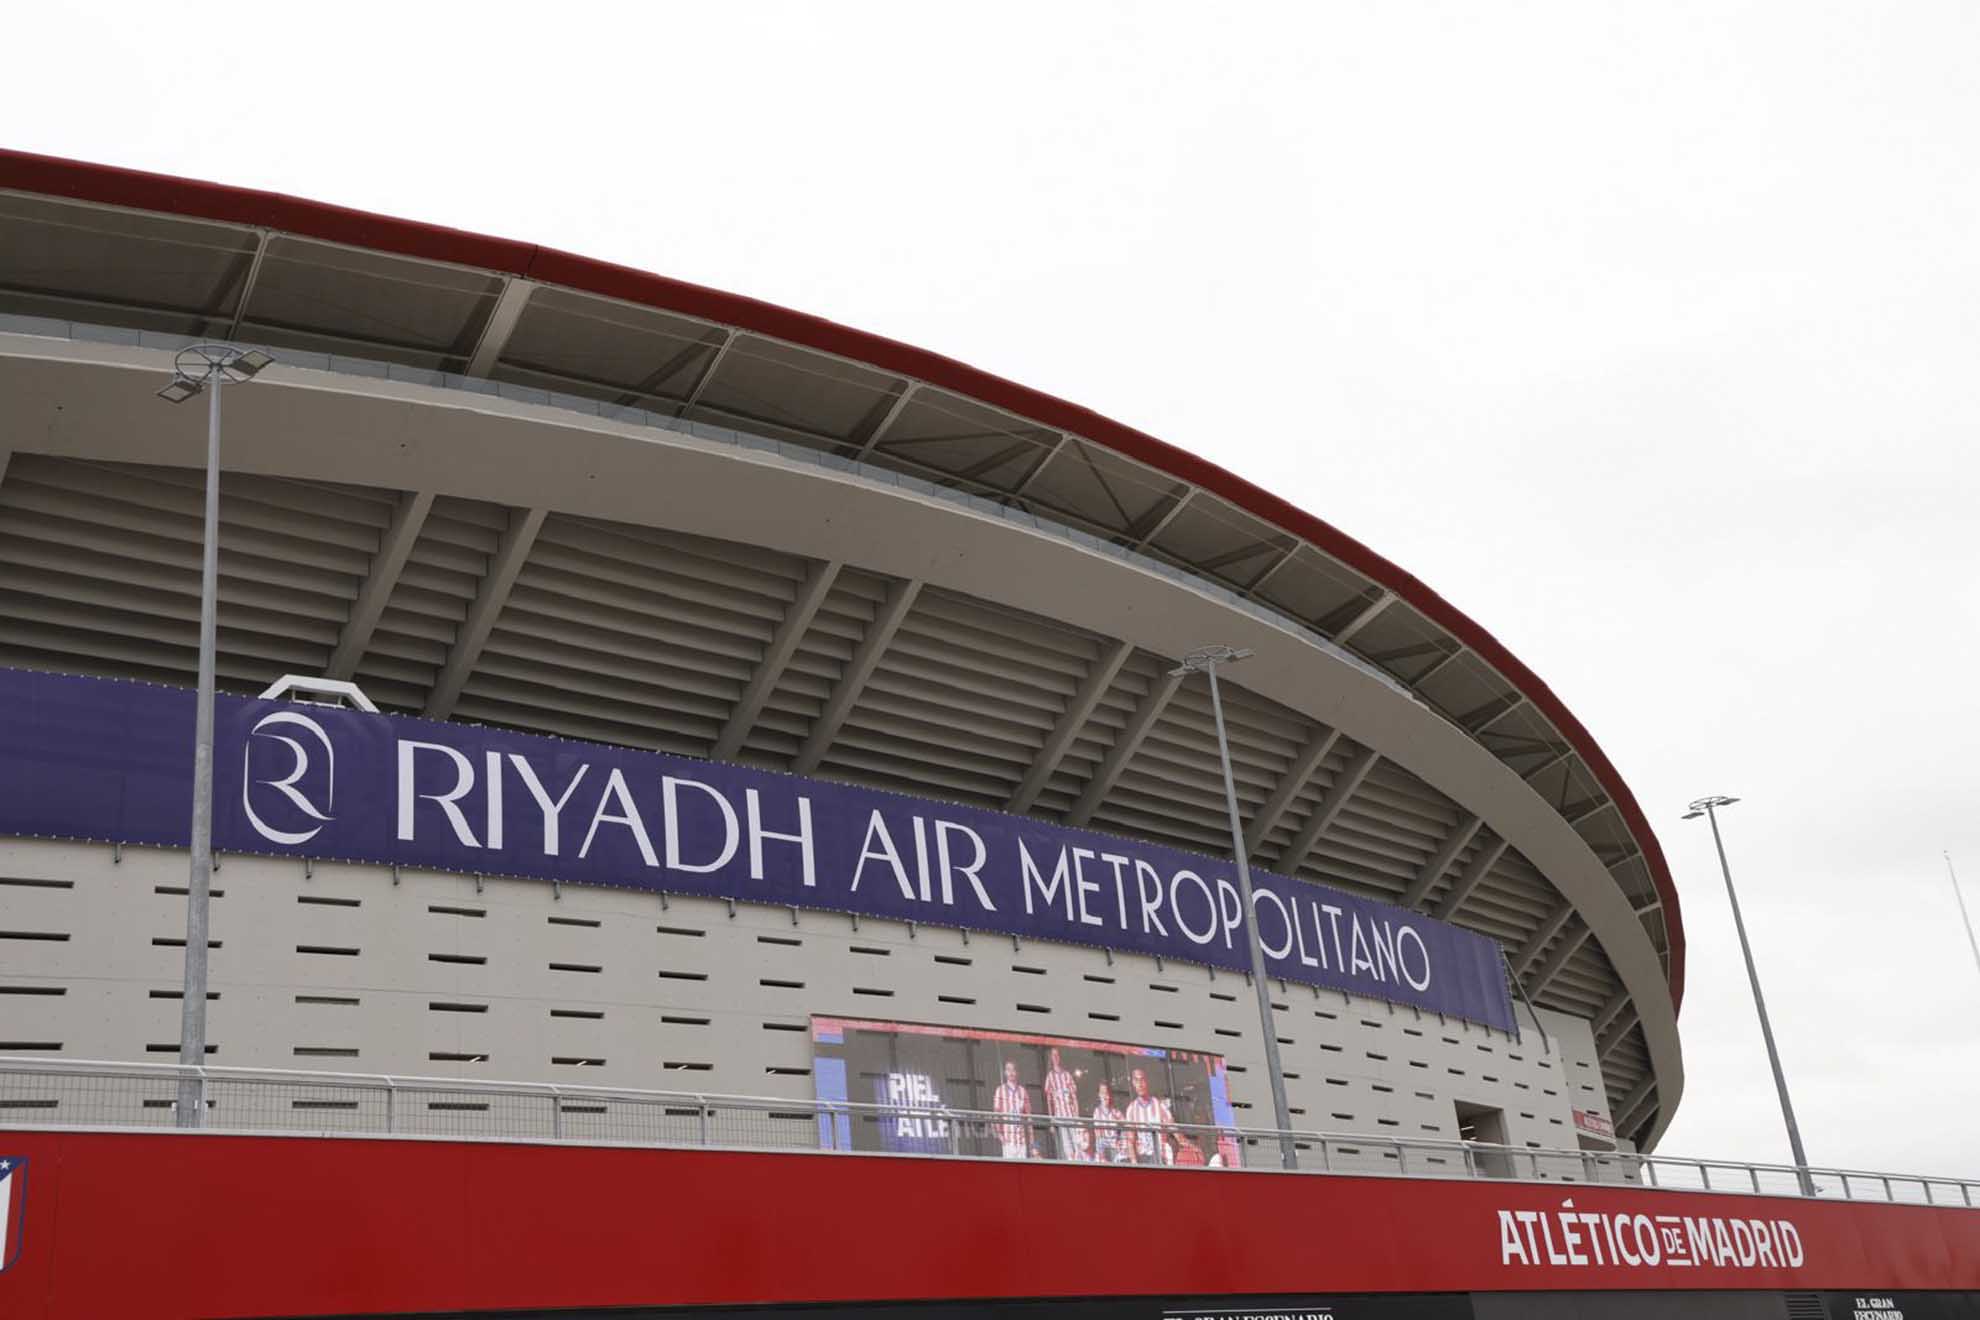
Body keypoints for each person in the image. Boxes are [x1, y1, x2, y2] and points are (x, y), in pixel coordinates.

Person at [1122, 1066, 1176, 1165]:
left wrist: (1186, 1144)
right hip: (1144, 1158)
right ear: (1133, 1083)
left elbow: (1173, 1128)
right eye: (1137, 1081)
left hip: (1161, 1156)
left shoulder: (1159, 1105)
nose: (1140, 1084)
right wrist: (1134, 1162)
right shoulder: (1131, 1109)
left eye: (1142, 1080)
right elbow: (1130, 1140)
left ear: (1147, 1082)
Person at [1041, 1047, 1086, 1161]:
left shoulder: (1067, 1075)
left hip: (1070, 1114)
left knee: (1076, 1142)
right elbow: (1049, 1100)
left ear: (1059, 1057)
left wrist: (1077, 1116)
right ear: (1051, 1058)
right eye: (1053, 1055)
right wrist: (1051, 1120)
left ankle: (1079, 1162)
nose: (1055, 1058)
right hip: (1059, 1116)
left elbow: (1074, 1097)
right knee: (1066, 1143)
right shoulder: (1050, 1076)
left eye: (1057, 1055)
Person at [990, 1059, 1034, 1160]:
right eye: (1008, 1070)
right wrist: (1001, 1137)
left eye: (1013, 1070)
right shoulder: (1000, 1091)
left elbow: (1029, 1118)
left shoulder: (1023, 1091)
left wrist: (1032, 1142)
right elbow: (995, 1116)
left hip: (1021, 1141)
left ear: (1017, 1072)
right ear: (1005, 1072)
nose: (1011, 1073)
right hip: (1008, 1141)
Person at [1090, 1081, 1128, 1164]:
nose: (1105, 1096)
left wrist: (1121, 1143)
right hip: (1104, 1150)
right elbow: (1098, 1135)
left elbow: (1126, 1128)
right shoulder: (1097, 1112)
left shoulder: (1116, 1112)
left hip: (1116, 1149)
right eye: (1102, 1093)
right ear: (1099, 1095)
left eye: (1106, 1093)